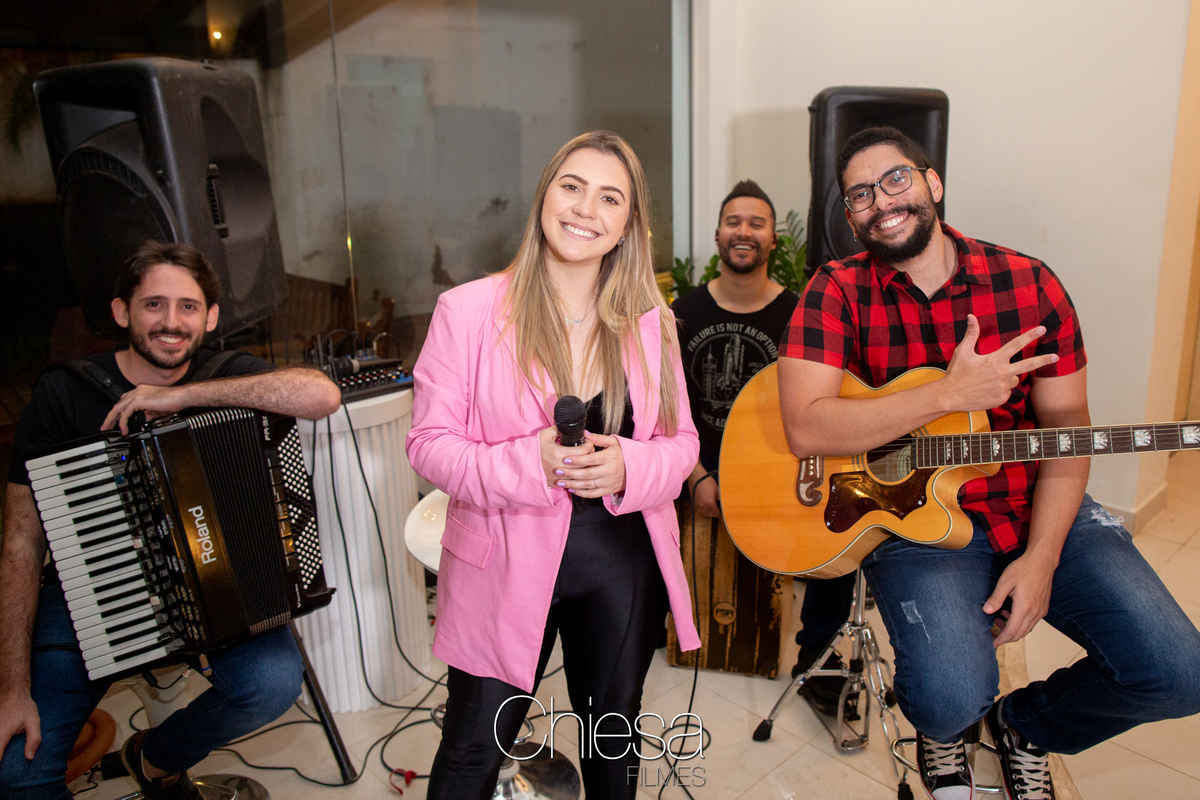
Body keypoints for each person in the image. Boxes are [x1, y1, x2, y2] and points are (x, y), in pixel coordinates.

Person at [778, 125, 1200, 800]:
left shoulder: (1029, 284)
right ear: (850, 217)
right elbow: (805, 427)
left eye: (895, 179)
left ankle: (1025, 727)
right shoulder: (836, 290)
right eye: (860, 194)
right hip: (916, 523)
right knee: (947, 698)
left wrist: (1042, 558)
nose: (881, 201)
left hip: (1034, 500)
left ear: (932, 182)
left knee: (1180, 672)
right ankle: (946, 732)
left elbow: (1068, 429)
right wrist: (948, 394)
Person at [405, 130, 700, 800]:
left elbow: (682, 444)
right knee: (472, 752)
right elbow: (428, 444)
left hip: (620, 564)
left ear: (628, 224)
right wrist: (528, 462)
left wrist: (630, 465)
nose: (585, 209)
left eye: (609, 198)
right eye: (572, 186)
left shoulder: (652, 322)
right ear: (545, 195)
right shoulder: (468, 311)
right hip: (499, 567)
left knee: (612, 748)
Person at [0, 240, 342, 800]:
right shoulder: (65, 392)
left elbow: (321, 394)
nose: (171, 322)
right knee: (20, 773)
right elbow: (20, 541)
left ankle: (156, 756)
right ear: (122, 312)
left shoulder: (223, 373)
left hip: (215, 593)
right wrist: (11, 689)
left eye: (188, 307)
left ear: (210, 317)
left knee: (272, 683)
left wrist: (181, 398)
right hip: (93, 595)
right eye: (153, 304)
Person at [672, 178, 855, 712]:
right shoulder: (680, 315)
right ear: (717, 235)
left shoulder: (803, 315)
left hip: (778, 470)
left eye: (757, 223)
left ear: (774, 239)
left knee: (841, 525)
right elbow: (665, 412)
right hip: (696, 469)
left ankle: (818, 658)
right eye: (733, 222)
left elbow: (822, 409)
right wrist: (697, 478)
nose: (744, 231)